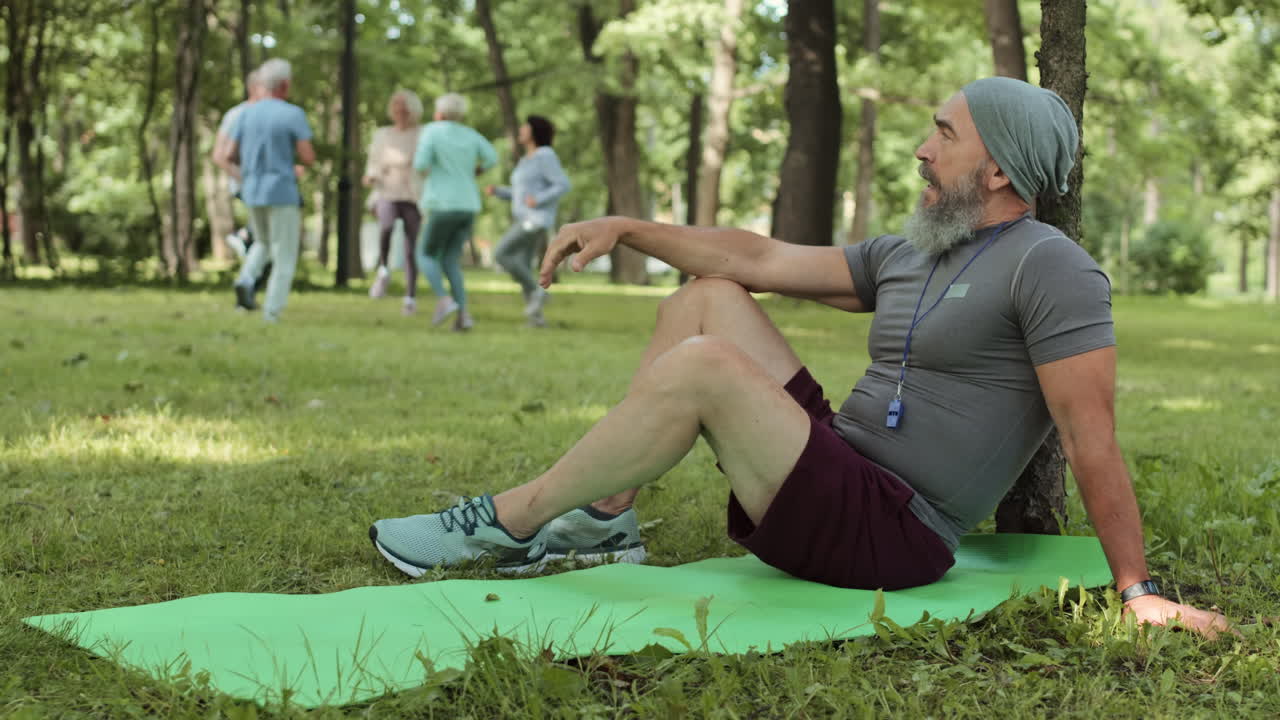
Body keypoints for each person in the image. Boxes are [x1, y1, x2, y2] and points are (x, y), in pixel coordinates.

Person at [369, 78, 1231, 637]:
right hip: (841, 470)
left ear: (1000, 169)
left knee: (707, 365)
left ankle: (506, 522)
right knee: (706, 301)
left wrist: (1135, 589)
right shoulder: (916, 248)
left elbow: (1092, 438)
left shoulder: (1055, 269)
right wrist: (626, 226)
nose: (923, 149)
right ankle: (604, 521)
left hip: (897, 532)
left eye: (944, 133)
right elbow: (753, 258)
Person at [217, 59, 315, 323]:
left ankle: (246, 279)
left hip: (252, 190)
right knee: (284, 253)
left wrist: (247, 175)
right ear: (284, 84)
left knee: (261, 242)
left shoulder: (245, 114)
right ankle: (272, 311)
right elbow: (308, 156)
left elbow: (227, 154)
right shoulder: (292, 114)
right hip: (281, 190)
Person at [412, 93, 498, 331]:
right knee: (451, 259)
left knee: (425, 254)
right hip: (468, 205)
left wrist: (433, 171)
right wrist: (475, 171)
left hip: (442, 204)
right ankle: (463, 316)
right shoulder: (470, 135)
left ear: (439, 113)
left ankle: (443, 300)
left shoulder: (432, 131)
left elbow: (420, 164)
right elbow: (492, 157)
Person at [486, 115, 571, 327]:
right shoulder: (527, 159)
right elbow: (520, 193)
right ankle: (536, 320)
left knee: (501, 254)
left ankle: (537, 292)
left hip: (535, 220)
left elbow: (562, 184)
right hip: (525, 217)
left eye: (525, 127)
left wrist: (539, 200)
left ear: (534, 131)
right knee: (522, 264)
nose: (521, 130)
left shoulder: (545, 155)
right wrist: (499, 192)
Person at [211, 70, 271, 308]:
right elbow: (220, 155)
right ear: (254, 87)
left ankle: (247, 291)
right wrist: (244, 178)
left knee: (266, 240)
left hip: (267, 186)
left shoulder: (269, 115)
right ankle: (243, 237)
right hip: (247, 185)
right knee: (265, 237)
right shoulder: (237, 114)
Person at [363, 89, 425, 316]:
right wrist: (370, 175)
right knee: (386, 227)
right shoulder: (382, 134)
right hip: (386, 192)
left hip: (412, 196)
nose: (400, 111)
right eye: (397, 106)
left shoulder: (422, 133)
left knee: (411, 247)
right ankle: (383, 271)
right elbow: (373, 162)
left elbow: (423, 163)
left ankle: (410, 297)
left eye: (404, 107)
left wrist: (400, 162)